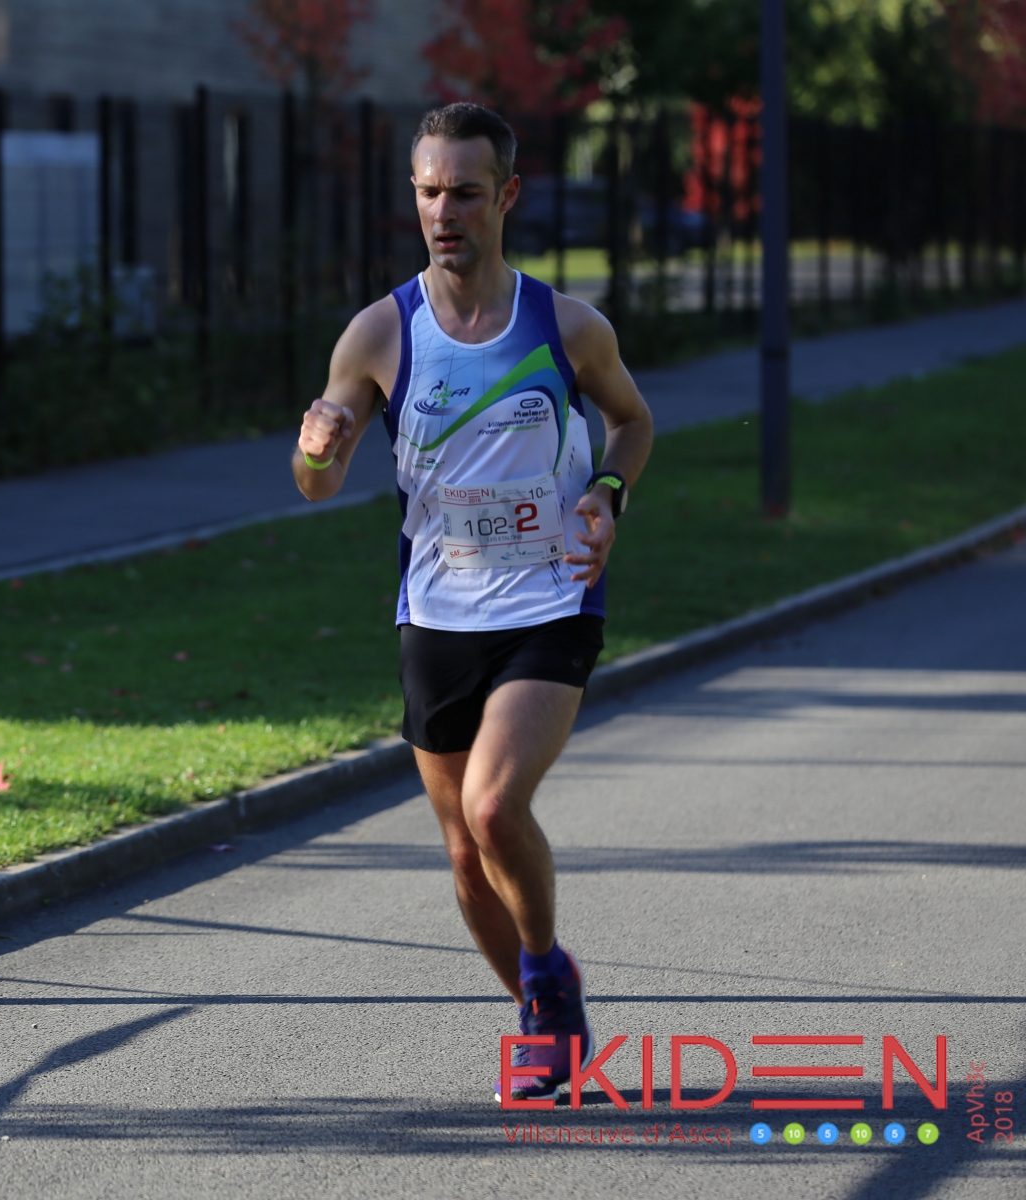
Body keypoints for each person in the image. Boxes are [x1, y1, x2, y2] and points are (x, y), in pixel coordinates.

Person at [291, 102, 653, 1102]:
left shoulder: (566, 326)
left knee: (494, 809)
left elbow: (631, 423)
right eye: (428, 192)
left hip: (551, 600)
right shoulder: (380, 333)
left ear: (506, 197)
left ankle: (544, 977)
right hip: (437, 614)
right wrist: (315, 449)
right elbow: (317, 484)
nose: (443, 212)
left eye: (464, 192)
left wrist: (607, 494)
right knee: (461, 851)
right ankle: (543, 1008)